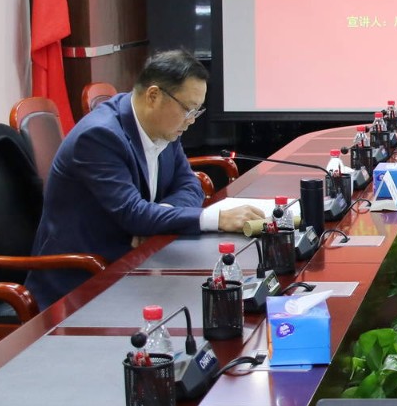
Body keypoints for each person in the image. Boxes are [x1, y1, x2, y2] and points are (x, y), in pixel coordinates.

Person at [26, 50, 264, 308]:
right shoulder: (99, 137)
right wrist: (216, 218)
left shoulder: (164, 125)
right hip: (82, 282)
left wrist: (157, 218)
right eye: (188, 109)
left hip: (135, 261)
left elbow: (189, 185)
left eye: (197, 111)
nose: (192, 120)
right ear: (153, 96)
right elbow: (133, 213)